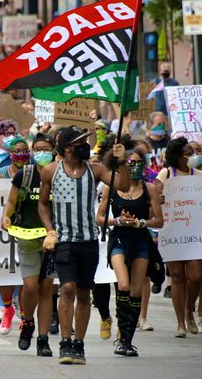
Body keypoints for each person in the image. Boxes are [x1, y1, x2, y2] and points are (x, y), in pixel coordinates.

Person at [38, 126, 129, 365]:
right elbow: (43, 204)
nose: (85, 145)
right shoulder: (50, 171)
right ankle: (65, 342)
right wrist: (49, 228)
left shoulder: (96, 169)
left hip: (89, 241)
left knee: (84, 293)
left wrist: (121, 161)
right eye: (80, 142)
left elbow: (124, 186)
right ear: (67, 147)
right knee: (67, 288)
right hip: (64, 241)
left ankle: (79, 344)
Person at [97, 150, 164, 357]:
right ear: (121, 165)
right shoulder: (111, 188)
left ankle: (127, 340)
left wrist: (142, 222)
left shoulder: (149, 188)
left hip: (141, 240)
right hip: (119, 238)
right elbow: (99, 218)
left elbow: (159, 221)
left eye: (138, 162)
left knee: (136, 292)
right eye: (130, 162)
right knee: (123, 285)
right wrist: (117, 220)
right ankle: (120, 330)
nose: (135, 166)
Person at [1, 134, 57, 357]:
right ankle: (27, 322)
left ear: (53, 151)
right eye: (39, 148)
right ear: (34, 152)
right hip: (26, 237)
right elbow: (12, 202)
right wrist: (6, 217)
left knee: (47, 291)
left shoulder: (60, 176)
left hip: (53, 240)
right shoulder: (24, 175)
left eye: (47, 148)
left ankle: (43, 340)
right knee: (31, 287)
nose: (43, 152)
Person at [155, 137, 202, 336]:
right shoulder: (166, 174)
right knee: (177, 276)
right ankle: (180, 322)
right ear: (178, 156)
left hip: (193, 234)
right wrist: (159, 198)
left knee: (196, 277)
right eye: (188, 153)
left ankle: (189, 311)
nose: (193, 156)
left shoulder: (199, 175)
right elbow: (153, 196)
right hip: (173, 233)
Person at [0, 135, 32, 335]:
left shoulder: (37, 173)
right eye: (16, 151)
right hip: (4, 228)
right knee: (5, 269)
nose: (21, 155)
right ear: (9, 154)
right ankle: (8, 307)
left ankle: (25, 312)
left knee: (27, 273)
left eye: (24, 151)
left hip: (29, 226)